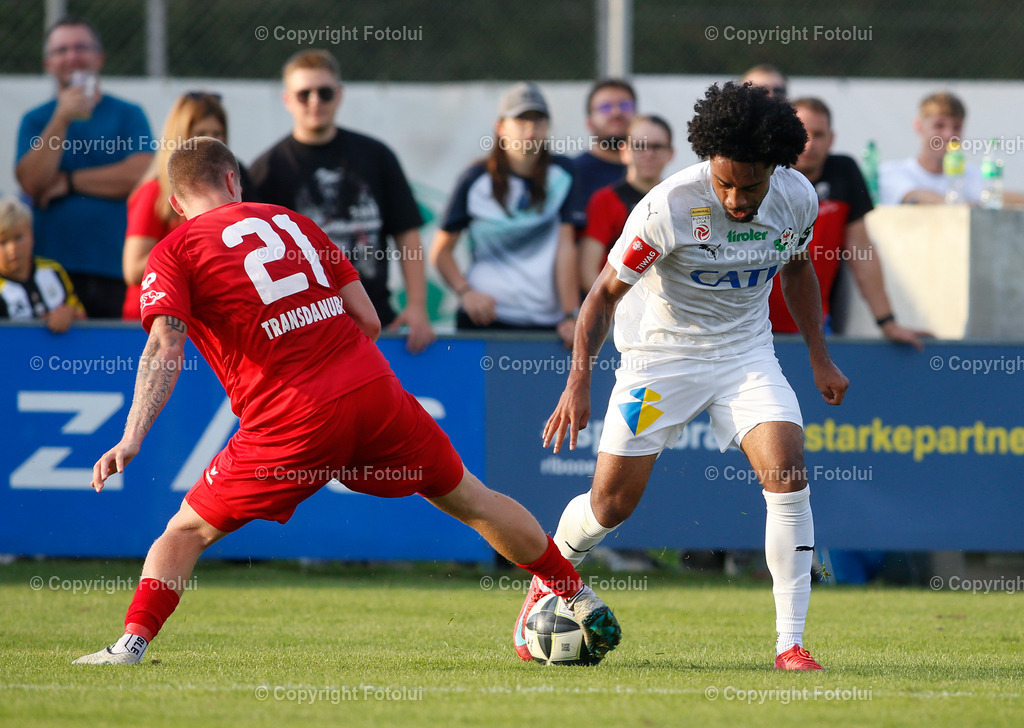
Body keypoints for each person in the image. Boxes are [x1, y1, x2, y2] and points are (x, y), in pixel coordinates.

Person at [71, 137, 621, 666]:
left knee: (184, 532)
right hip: (374, 390)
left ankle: (131, 645)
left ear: (175, 202)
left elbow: (165, 345)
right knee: (474, 499)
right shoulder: (295, 222)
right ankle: (576, 593)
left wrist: (132, 435)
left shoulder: (175, 250)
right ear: (232, 179)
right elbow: (368, 320)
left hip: (290, 416)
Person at [522, 82, 849, 671]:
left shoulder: (797, 198)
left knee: (788, 472)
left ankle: (790, 644)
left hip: (746, 354)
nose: (735, 197)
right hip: (658, 360)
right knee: (611, 505)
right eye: (723, 182)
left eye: (749, 185)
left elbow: (799, 272)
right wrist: (578, 382)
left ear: (774, 168)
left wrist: (818, 355)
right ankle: (545, 582)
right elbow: (601, 297)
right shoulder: (668, 207)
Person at [249, 50, 434, 353]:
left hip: (376, 323)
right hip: (306, 332)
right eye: (303, 94)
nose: (315, 101)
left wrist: (416, 306)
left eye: (324, 92)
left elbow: (407, 234)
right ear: (286, 100)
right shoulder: (266, 171)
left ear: (340, 94)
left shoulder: (377, 156)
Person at [16, 16, 152, 319]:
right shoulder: (36, 120)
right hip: (51, 272)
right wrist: (61, 118)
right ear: (48, 63)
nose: (72, 56)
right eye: (61, 50)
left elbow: (141, 174)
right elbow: (32, 183)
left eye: (81, 47)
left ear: (99, 57)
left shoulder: (128, 115)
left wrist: (69, 182)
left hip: (117, 267)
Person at [430, 82, 583, 347]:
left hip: (548, 326)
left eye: (538, 120)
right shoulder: (475, 180)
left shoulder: (564, 174)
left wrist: (571, 314)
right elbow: (440, 252)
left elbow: (565, 247)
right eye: (521, 120)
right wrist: (466, 293)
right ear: (500, 127)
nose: (531, 129)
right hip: (484, 321)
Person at [770, 97, 929, 348]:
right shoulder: (763, 175)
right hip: (754, 327)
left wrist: (887, 322)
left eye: (819, 134)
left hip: (815, 326)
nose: (810, 143)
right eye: (802, 133)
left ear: (831, 139)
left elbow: (861, 252)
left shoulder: (844, 171)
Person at [122, 91, 254, 320]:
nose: (210, 142)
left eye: (217, 134)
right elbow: (132, 270)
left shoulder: (233, 187)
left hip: (204, 317)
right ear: (179, 137)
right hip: (154, 319)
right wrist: (195, 249)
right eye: (200, 134)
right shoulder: (155, 191)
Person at [580, 115, 674, 291]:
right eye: (640, 146)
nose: (649, 154)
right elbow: (588, 271)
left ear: (670, 154)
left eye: (657, 146)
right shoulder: (605, 201)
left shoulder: (678, 201)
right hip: (618, 309)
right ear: (624, 152)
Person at [877, 92, 978, 205]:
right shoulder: (891, 172)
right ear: (918, 125)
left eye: (956, 127)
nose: (949, 135)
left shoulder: (973, 174)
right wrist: (967, 206)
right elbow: (914, 196)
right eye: (939, 126)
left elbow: (997, 198)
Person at [0, 196, 85, 331]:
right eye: (3, 242)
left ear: (31, 236)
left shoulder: (53, 270)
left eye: (18, 238)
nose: (12, 249)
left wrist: (68, 313)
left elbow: (82, 316)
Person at [573, 79, 638, 205]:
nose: (617, 112)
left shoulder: (648, 169)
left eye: (625, 105)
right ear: (589, 123)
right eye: (605, 107)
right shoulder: (574, 174)